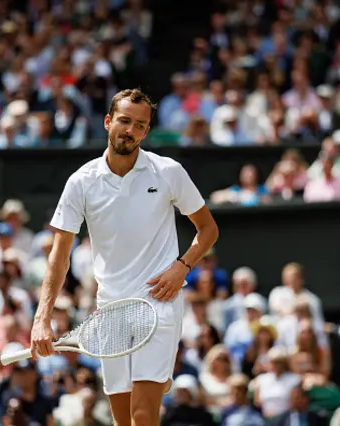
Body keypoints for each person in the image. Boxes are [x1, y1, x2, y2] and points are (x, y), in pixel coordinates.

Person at [30, 88, 219, 426]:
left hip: (159, 302)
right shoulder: (80, 182)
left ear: (146, 132)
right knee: (123, 422)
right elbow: (59, 257)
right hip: (111, 310)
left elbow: (207, 229)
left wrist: (182, 266)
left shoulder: (169, 172)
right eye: (124, 121)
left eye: (139, 125)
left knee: (143, 417)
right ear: (107, 122)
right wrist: (41, 319)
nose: (130, 130)